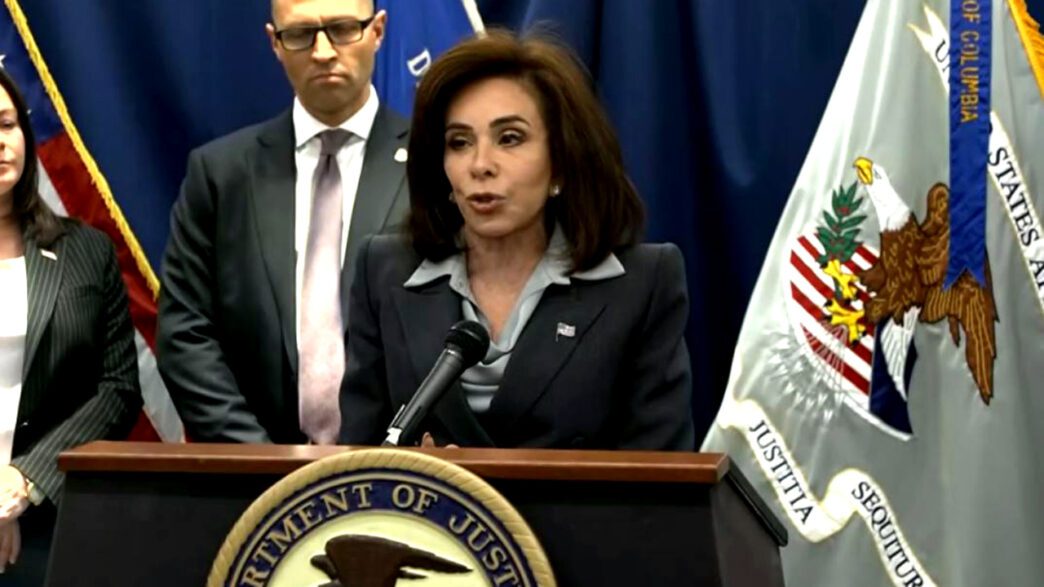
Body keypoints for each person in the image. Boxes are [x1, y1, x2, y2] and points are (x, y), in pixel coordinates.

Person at [338, 31, 695, 450]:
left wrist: (478, 483)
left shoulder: (641, 284)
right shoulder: (384, 271)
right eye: (459, 143)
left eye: (509, 138)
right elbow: (358, 457)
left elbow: (659, 474)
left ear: (561, 161)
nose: (480, 165)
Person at [157, 0, 410, 444]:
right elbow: (185, 334)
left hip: (396, 471)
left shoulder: (433, 165)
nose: (323, 52)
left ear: (378, 31)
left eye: (342, 28)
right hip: (252, 471)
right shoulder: (220, 174)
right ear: (275, 42)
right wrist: (259, 460)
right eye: (300, 34)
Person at [0, 68, 141, 585]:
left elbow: (118, 389)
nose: (0, 142)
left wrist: (22, 482)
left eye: (7, 124)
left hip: (51, 516)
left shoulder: (85, 250)